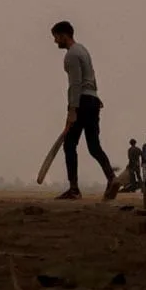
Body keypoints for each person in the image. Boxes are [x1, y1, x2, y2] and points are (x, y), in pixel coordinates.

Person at [52, 21, 120, 201]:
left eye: (56, 37)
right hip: (92, 100)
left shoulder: (71, 55)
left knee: (69, 144)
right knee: (93, 145)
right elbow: (91, 74)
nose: (55, 41)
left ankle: (74, 189)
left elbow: (75, 83)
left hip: (81, 101)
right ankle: (111, 178)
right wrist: (95, 96)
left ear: (64, 35)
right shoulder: (83, 50)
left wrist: (72, 110)